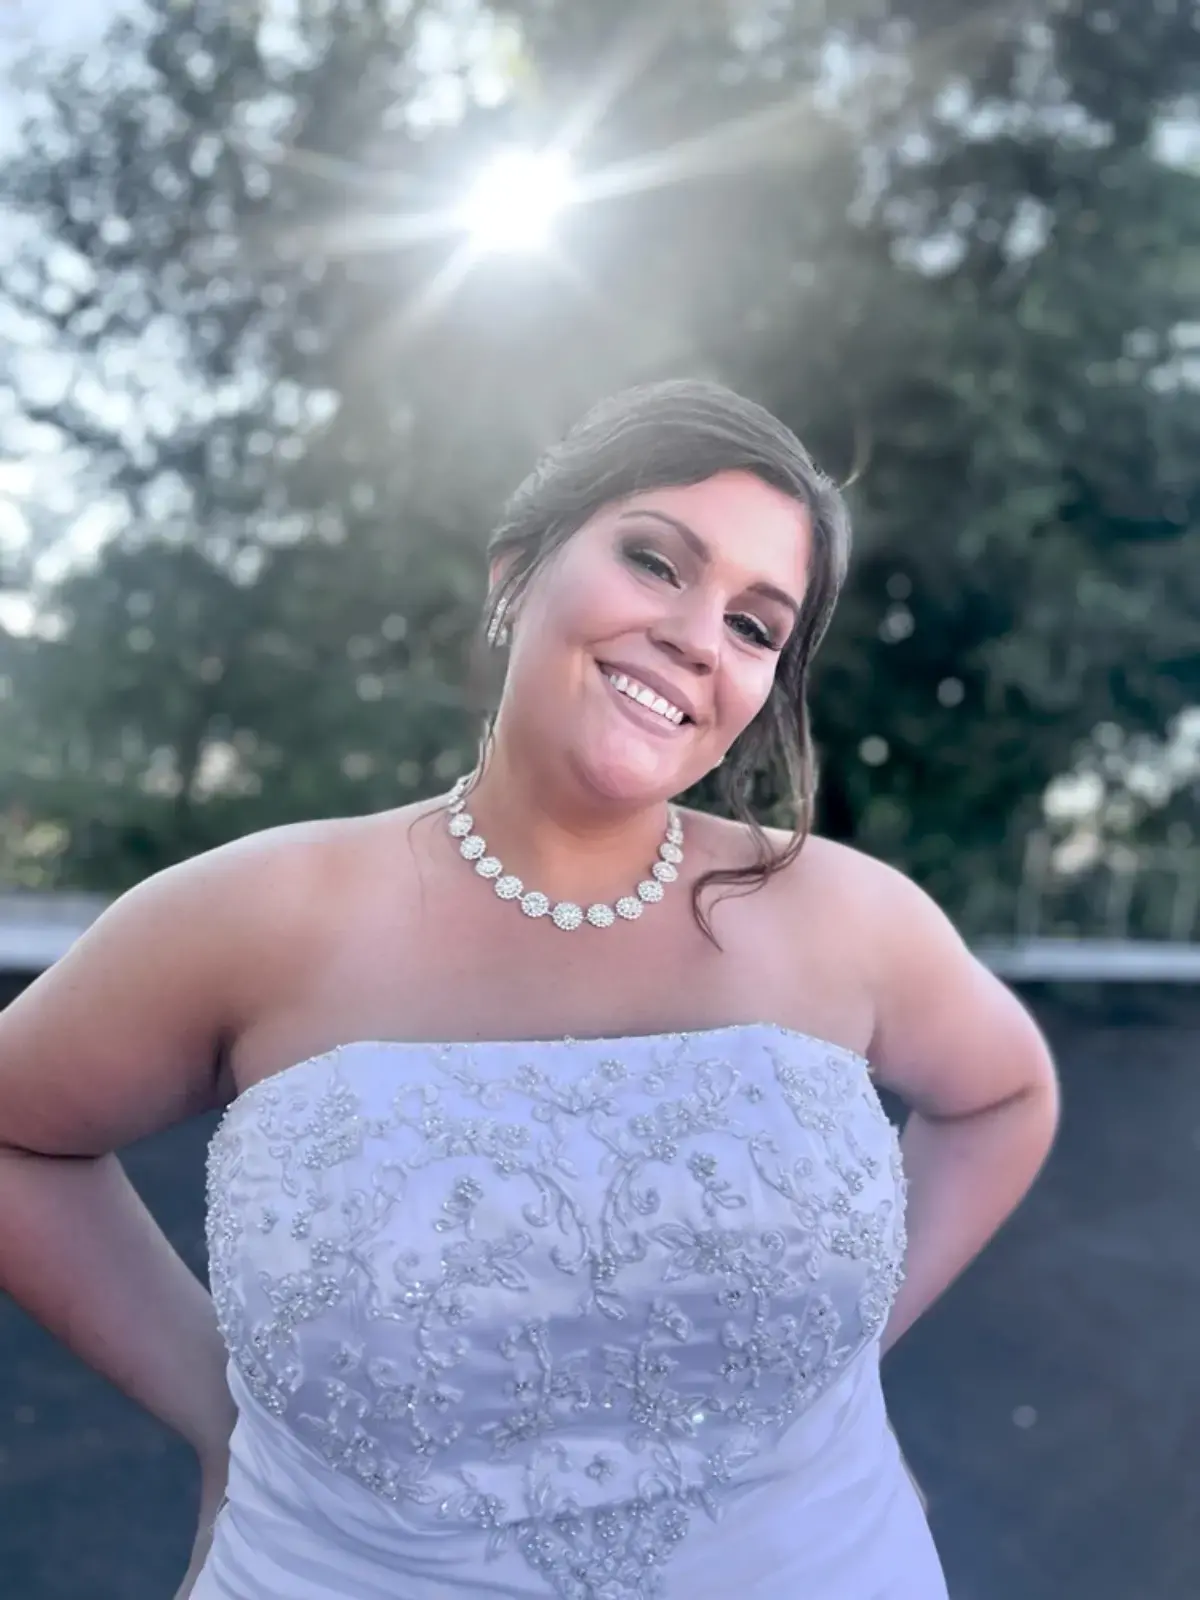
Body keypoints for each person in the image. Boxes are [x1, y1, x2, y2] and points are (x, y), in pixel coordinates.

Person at [0, 378, 1059, 1599]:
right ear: (515, 573)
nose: (697, 635)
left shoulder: (849, 916)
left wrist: (842, 1355)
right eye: (655, 561)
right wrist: (220, 1410)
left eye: (755, 624)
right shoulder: (256, 914)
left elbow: (1005, 1093)